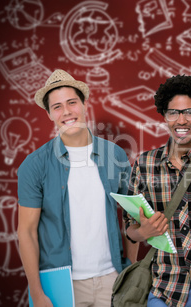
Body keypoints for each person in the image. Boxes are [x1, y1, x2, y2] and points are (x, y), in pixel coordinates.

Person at [17, 69, 134, 307]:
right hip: (62, 284)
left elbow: (133, 216)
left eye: (72, 102)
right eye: (57, 106)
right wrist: (37, 294)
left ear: (84, 105)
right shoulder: (34, 165)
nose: (66, 112)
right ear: (49, 114)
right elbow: (26, 232)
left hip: (112, 279)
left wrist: (129, 272)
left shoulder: (115, 155)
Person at [124, 74, 191, 307]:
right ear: (164, 116)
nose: (181, 120)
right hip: (164, 289)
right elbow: (130, 230)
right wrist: (143, 232)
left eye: (190, 112)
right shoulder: (145, 164)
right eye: (173, 112)